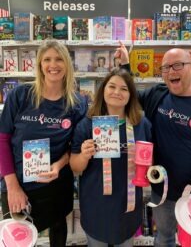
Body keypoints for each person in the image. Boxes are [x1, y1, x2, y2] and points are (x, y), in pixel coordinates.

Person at [115, 44, 191, 247]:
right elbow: (130, 96)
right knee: (164, 238)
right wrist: (124, 67)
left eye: (177, 65)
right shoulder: (157, 95)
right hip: (163, 193)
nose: (170, 72)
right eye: (165, 68)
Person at [0, 40, 88, 247]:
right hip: (18, 184)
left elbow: (74, 147)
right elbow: (2, 140)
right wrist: (12, 186)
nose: (53, 65)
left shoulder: (77, 103)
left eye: (58, 59)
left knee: (58, 229)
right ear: (39, 64)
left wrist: (58, 166)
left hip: (56, 184)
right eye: (47, 59)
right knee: (17, 238)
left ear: (67, 64)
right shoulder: (20, 95)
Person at [69, 68, 152, 247]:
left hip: (128, 208)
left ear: (131, 95)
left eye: (124, 89)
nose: (117, 92)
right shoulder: (87, 124)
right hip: (96, 205)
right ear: (103, 90)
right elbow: (75, 167)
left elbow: (150, 162)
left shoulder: (141, 124)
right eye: (112, 86)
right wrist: (84, 155)